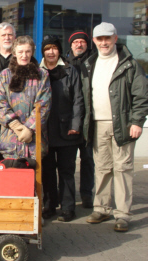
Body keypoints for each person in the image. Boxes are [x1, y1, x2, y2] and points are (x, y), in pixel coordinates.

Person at [82, 22, 148, 232]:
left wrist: (137, 122)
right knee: (102, 168)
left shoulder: (129, 64)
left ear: (115, 38)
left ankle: (122, 214)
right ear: (94, 41)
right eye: (99, 39)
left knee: (123, 169)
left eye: (107, 38)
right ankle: (101, 208)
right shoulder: (89, 63)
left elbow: (141, 96)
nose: (104, 42)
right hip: (97, 125)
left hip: (123, 125)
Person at [40, 36, 84, 222]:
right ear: (43, 51)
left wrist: (75, 125)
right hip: (45, 131)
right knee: (47, 171)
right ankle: (49, 206)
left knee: (66, 171)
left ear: (59, 51)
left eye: (54, 48)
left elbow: (78, 100)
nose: (51, 52)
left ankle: (68, 208)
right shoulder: (38, 71)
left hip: (67, 131)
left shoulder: (70, 70)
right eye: (47, 49)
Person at [0, 36, 51, 160]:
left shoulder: (42, 75)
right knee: (12, 178)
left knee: (33, 179)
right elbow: (0, 105)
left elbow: (43, 105)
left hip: (35, 142)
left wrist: (30, 129)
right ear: (14, 53)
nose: (24, 55)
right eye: (20, 52)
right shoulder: (4, 76)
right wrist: (17, 127)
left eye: (27, 51)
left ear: (32, 52)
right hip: (10, 141)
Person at [65, 30, 95, 209]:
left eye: (82, 42)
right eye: (75, 42)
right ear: (71, 45)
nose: (78, 44)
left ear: (87, 44)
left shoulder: (95, 62)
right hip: (69, 120)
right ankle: (67, 195)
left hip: (89, 120)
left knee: (88, 159)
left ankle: (86, 194)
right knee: (67, 163)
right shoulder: (65, 64)